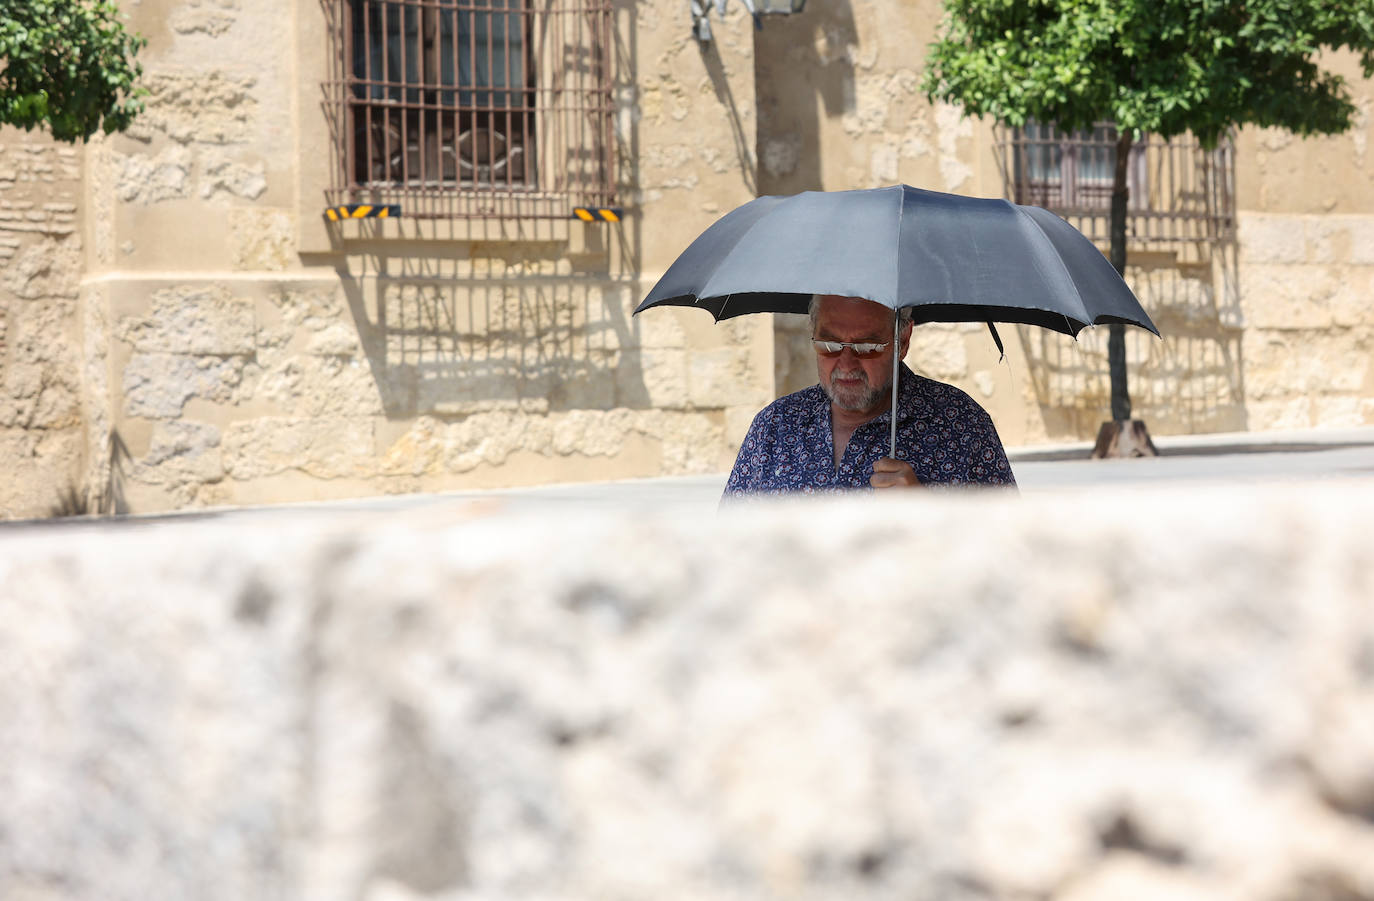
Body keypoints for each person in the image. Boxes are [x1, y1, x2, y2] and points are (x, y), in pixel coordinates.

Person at [723, 294, 1016, 498]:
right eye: (829, 344)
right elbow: (727, 548)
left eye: (867, 347)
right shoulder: (774, 425)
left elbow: (1013, 550)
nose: (846, 363)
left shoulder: (961, 425)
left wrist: (927, 510)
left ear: (903, 340)